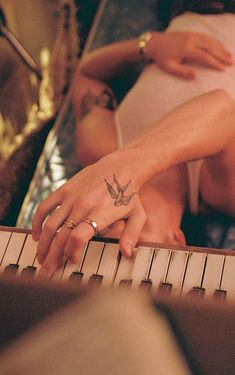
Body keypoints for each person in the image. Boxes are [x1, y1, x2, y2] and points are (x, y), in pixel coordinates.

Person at [32, 1, 235, 277]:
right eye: (128, 243)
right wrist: (126, 167)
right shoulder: (220, 190)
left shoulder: (101, 150)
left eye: (97, 234)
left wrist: (149, 46)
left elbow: (87, 74)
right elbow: (219, 109)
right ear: (175, 240)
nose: (109, 225)